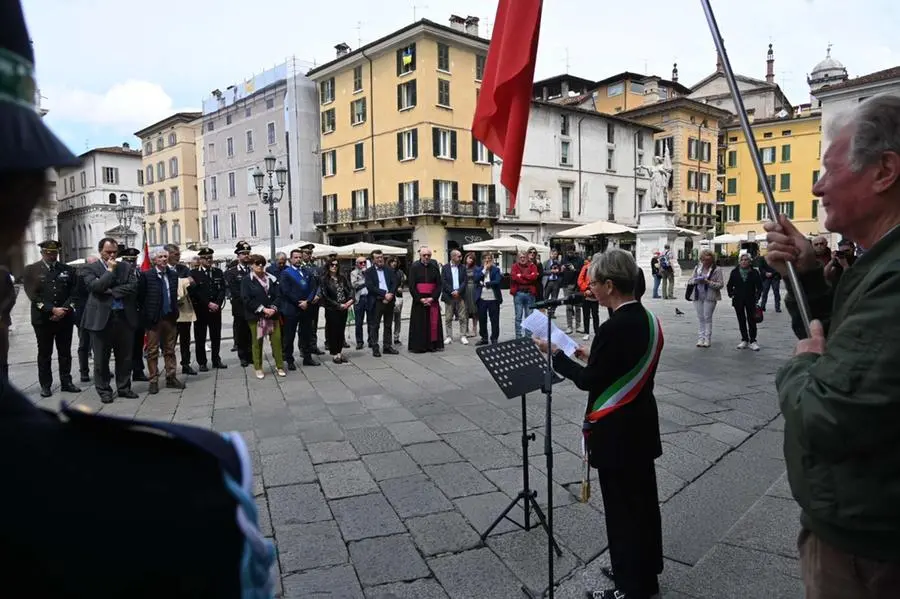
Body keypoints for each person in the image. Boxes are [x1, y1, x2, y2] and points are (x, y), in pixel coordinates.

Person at [0, 6, 275, 590]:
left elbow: (145, 284)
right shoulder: (178, 502)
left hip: (133, 316)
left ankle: (122, 385)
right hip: (102, 316)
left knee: (127, 361)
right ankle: (99, 386)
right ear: (26, 202)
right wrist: (104, 286)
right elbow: (91, 287)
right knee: (95, 360)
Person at [764, 93, 900, 598]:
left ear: (885, 170)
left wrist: (801, 368)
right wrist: (806, 276)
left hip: (868, 544)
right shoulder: (878, 263)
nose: (818, 185)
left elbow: (826, 415)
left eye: (828, 168)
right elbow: (843, 334)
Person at [539, 249, 664, 599]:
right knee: (643, 505)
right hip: (641, 425)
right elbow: (619, 365)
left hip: (618, 432)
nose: (589, 287)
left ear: (610, 285)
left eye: (593, 282)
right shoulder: (646, 319)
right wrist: (585, 353)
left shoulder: (613, 326)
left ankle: (630, 587)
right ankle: (643, 569)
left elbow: (590, 381)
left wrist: (557, 355)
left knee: (623, 511)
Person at [81, 238, 140, 403]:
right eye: (108, 252)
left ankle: (124, 387)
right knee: (101, 359)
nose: (112, 255)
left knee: (125, 357)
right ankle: (104, 390)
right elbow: (96, 287)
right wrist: (109, 271)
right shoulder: (89, 268)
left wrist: (111, 291)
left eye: (115, 252)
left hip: (123, 317)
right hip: (100, 320)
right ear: (100, 251)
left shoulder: (126, 267)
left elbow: (133, 287)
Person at [23, 239, 80, 397]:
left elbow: (74, 293)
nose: (52, 256)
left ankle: (66, 382)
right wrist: (52, 310)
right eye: (49, 253)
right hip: (43, 320)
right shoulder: (31, 270)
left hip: (65, 318)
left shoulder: (68, 269)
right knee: (44, 353)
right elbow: (33, 296)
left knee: (65, 352)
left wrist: (64, 310)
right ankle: (46, 385)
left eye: (55, 253)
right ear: (42, 253)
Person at [138, 248, 185, 394]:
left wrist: (175, 312)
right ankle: (153, 380)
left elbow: (173, 293)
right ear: (154, 260)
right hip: (154, 319)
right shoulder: (146, 275)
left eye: (165, 256)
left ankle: (171, 377)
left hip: (169, 317)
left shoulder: (173, 274)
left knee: (170, 349)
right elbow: (140, 298)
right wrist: (146, 316)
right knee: (152, 351)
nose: (164, 259)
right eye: (160, 257)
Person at [242, 254, 286, 379]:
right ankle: (258, 367)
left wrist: (273, 308)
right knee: (257, 342)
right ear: (251, 265)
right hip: (257, 316)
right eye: (257, 263)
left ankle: (280, 365)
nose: (260, 266)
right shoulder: (247, 280)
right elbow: (246, 298)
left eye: (262, 263)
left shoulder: (271, 278)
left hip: (273, 315)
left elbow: (279, 295)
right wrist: (262, 309)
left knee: (277, 340)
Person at [189, 247, 227, 371]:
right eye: (206, 258)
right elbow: (195, 292)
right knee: (200, 336)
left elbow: (222, 289)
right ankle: (202, 362)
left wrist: (217, 303)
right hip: (201, 309)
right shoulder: (194, 274)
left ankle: (216, 359)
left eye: (210, 257)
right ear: (200, 259)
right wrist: (208, 303)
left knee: (216, 336)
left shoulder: (218, 272)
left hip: (216, 309)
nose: (209, 260)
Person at [119, 248, 148, 383]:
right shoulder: (119, 275)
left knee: (138, 344)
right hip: (125, 314)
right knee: (126, 347)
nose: (131, 263)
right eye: (128, 261)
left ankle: (138, 370)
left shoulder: (140, 274)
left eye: (133, 260)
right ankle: (126, 373)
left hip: (138, 314)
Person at [407, 246, 443, 353]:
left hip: (432, 300)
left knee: (433, 324)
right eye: (424, 255)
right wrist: (420, 299)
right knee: (419, 324)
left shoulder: (434, 266)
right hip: (419, 301)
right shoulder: (414, 267)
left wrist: (433, 298)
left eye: (429, 255)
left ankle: (432, 346)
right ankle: (419, 346)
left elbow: (439, 285)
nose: (426, 257)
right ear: (420, 255)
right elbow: (412, 286)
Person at [224, 241, 254, 367]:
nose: (246, 256)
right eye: (243, 254)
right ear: (238, 256)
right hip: (240, 307)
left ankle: (251, 354)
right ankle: (242, 356)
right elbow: (236, 291)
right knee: (241, 332)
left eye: (247, 253)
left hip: (253, 308)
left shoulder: (254, 270)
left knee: (251, 332)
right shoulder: (232, 272)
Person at [365, 249, 399, 357]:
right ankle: (375, 347)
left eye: (381, 257)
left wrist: (390, 294)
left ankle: (387, 346)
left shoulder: (389, 270)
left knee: (388, 325)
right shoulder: (369, 272)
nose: (380, 259)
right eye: (377, 258)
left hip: (389, 300)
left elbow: (395, 282)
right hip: (377, 301)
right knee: (375, 326)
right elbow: (370, 287)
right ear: (373, 260)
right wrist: (384, 294)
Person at [320, 257, 354, 363]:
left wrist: (350, 301)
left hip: (344, 307)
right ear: (328, 266)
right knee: (333, 331)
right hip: (332, 309)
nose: (334, 267)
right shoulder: (324, 279)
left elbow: (350, 289)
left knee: (340, 330)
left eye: (336, 265)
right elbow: (325, 296)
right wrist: (338, 305)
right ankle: (335, 353)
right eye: (332, 265)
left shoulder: (342, 278)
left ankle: (339, 352)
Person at [687, 249, 724, 348]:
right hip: (697, 295)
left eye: (708, 260)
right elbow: (690, 281)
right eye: (704, 260)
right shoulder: (697, 268)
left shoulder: (717, 269)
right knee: (700, 318)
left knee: (707, 317)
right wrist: (696, 280)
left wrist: (708, 282)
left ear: (712, 260)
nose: (706, 262)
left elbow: (720, 285)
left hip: (710, 296)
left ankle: (707, 339)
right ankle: (700, 338)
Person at [727, 253, 763, 351]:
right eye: (742, 260)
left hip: (751, 299)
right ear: (739, 261)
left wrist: (757, 296)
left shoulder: (754, 272)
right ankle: (744, 339)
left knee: (752, 320)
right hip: (738, 300)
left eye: (746, 260)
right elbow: (729, 285)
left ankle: (753, 340)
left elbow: (759, 286)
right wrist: (731, 294)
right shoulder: (735, 272)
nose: (744, 261)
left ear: (749, 261)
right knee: (741, 320)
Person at [440, 249, 468, 345]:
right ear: (452, 257)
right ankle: (449, 336)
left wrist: (458, 291)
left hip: (460, 295)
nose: (461, 258)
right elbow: (443, 281)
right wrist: (452, 291)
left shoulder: (463, 267)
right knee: (448, 317)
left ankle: (463, 335)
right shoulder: (445, 267)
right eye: (459, 256)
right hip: (449, 296)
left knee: (462, 317)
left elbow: (465, 281)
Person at [473, 253, 502, 345]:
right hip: (481, 298)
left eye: (489, 259)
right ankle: (484, 338)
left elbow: (497, 281)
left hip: (493, 299)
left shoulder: (496, 270)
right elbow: (476, 279)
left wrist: (486, 284)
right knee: (482, 319)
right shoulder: (478, 269)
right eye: (485, 259)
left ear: (492, 260)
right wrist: (484, 269)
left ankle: (494, 338)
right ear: (482, 260)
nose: (487, 260)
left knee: (494, 320)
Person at [510, 251, 539, 338]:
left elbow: (534, 277)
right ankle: (518, 336)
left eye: (524, 257)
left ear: (527, 257)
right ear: (518, 258)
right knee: (518, 317)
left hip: (530, 294)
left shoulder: (533, 266)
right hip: (518, 293)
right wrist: (527, 277)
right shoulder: (514, 266)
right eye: (520, 257)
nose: (522, 259)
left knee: (529, 317)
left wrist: (521, 276)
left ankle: (528, 337)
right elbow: (514, 277)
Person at [350, 256, 370, 349]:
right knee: (359, 322)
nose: (363, 264)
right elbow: (354, 285)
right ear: (357, 264)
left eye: (364, 262)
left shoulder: (369, 272)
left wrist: (365, 278)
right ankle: (359, 341)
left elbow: (373, 283)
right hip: (359, 299)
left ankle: (371, 340)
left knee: (371, 321)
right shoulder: (353, 273)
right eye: (361, 263)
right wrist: (365, 280)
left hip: (369, 298)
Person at [0, 265, 15, 380]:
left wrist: (1, 312)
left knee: (2, 357)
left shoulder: (3, 272)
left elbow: (11, 295)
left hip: (1, 321)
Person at [387, 256, 406, 346]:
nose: (394, 263)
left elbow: (402, 282)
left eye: (395, 262)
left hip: (398, 297)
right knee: (389, 319)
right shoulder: (386, 272)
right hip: (389, 297)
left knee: (397, 318)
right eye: (392, 261)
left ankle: (396, 337)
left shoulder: (400, 272)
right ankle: (388, 338)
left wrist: (401, 287)